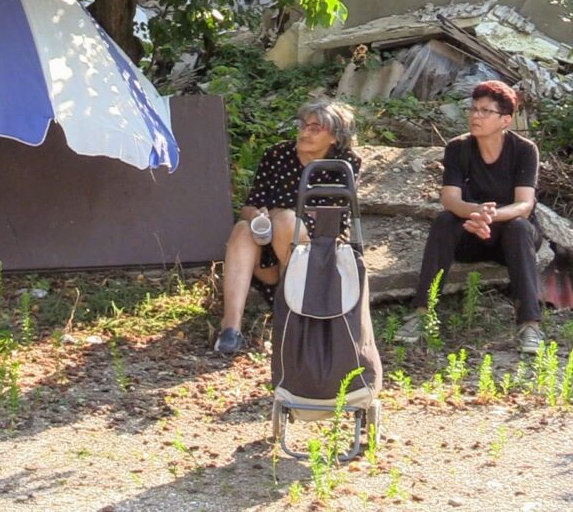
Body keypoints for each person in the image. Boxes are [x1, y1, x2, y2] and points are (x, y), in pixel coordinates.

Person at [393, 80, 545, 354]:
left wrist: (492, 216)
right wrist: (477, 214)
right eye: (473, 109)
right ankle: (422, 312)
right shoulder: (458, 147)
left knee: (519, 228)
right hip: (472, 230)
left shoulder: (524, 150)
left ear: (505, 120)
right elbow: (451, 199)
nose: (476, 116)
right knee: (444, 221)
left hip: (510, 235)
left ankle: (530, 325)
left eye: (486, 111)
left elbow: (524, 204)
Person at [214, 99, 361, 353]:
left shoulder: (344, 163)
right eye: (303, 125)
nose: (304, 132)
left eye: (315, 128)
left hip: (319, 253)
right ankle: (231, 328)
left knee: (286, 222)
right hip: (270, 251)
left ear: (335, 138)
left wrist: (281, 215)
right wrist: (258, 215)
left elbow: (332, 216)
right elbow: (249, 206)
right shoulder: (277, 155)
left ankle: (297, 313)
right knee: (242, 228)